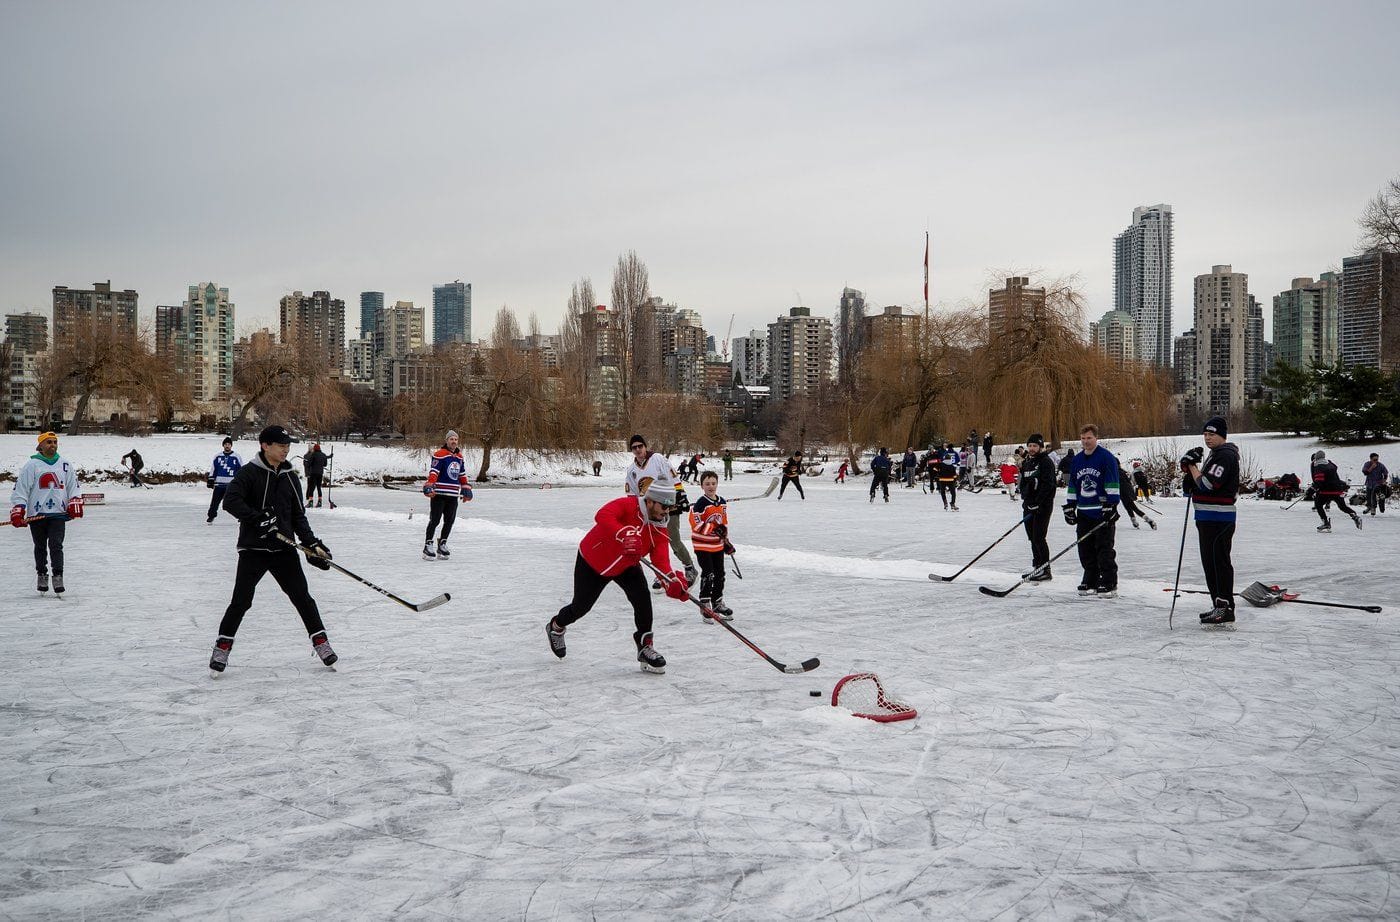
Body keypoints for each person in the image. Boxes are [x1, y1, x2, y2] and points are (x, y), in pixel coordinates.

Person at [210, 425, 337, 677]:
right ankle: (222, 647)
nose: (285, 450)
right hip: (253, 549)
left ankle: (321, 643)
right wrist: (258, 518)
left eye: (287, 446)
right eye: (280, 445)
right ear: (265, 446)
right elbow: (230, 502)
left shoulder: (290, 475)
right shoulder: (249, 472)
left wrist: (312, 545)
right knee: (241, 601)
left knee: (303, 598)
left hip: (283, 548)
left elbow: (298, 515)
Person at [546, 481, 688, 673]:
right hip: (593, 561)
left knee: (642, 600)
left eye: (670, 507)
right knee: (580, 607)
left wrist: (671, 581)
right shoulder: (629, 505)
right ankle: (556, 626)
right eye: (664, 506)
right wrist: (624, 532)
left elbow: (661, 560)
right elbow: (603, 515)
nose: (666, 511)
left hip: (627, 565)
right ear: (650, 502)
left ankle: (645, 646)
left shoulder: (659, 527)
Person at [1179, 416, 1240, 625]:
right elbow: (1195, 486)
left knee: (1218, 562)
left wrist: (1193, 465)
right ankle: (1218, 604)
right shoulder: (1215, 455)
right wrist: (1189, 471)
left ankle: (1225, 606)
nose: (1207, 438)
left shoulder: (1225, 456)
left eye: (1211, 434)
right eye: (1205, 434)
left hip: (1219, 519)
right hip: (1207, 517)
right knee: (1209, 563)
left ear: (1222, 435)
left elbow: (1207, 484)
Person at [10, 431, 83, 594]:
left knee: (56, 545)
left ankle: (58, 576)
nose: (53, 445)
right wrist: (18, 509)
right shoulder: (32, 465)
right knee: (40, 546)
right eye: (49, 442)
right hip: (37, 514)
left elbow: (73, 485)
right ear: (40, 446)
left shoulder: (65, 464)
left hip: (58, 514)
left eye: (55, 442)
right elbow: (21, 489)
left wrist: (75, 501)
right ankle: (42, 574)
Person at [623, 434, 697, 587]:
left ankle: (689, 567)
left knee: (673, 540)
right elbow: (632, 495)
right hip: (649, 512)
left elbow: (673, 478)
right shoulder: (631, 470)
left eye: (640, 446)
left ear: (645, 446)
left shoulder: (657, 459)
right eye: (634, 447)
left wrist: (681, 496)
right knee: (654, 543)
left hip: (668, 504)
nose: (638, 450)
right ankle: (661, 573)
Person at [1062, 424, 1120, 598]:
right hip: (1084, 511)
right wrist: (1070, 505)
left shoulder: (1106, 457)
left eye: (1089, 438)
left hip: (1101, 510)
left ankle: (1109, 581)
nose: (1086, 441)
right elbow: (1073, 484)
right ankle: (1090, 578)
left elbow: (1112, 481)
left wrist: (1111, 505)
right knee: (1085, 547)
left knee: (1104, 548)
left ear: (1096, 438)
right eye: (1083, 438)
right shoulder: (1077, 460)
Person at [422, 429, 473, 560]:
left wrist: (466, 488)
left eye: (456, 439)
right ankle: (428, 545)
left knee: (449, 521)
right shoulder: (440, 454)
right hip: (439, 494)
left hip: (452, 495)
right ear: (447, 440)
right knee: (435, 520)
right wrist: (429, 485)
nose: (454, 441)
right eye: (451, 439)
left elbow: (461, 475)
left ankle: (442, 543)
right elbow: (434, 472)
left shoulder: (460, 457)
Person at [690, 471, 734, 619]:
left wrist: (726, 542)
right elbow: (696, 524)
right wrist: (714, 528)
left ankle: (717, 602)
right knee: (708, 573)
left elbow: (723, 523)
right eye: (707, 484)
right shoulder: (700, 504)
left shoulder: (722, 502)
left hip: (717, 546)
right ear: (701, 485)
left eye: (713, 483)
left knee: (720, 574)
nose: (711, 486)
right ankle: (704, 603)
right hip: (702, 546)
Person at [1018, 434, 1056, 580]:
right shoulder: (1028, 462)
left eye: (1035, 446)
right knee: (1032, 538)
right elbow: (1024, 484)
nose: (1032, 448)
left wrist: (1038, 502)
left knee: (1039, 537)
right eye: (1030, 445)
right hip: (1029, 506)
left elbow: (1049, 485)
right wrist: (1027, 500)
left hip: (1042, 507)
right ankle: (1037, 566)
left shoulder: (1046, 462)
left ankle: (1045, 570)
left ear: (1040, 447)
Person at [1310, 450, 1361, 532]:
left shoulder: (1318, 465)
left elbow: (1319, 480)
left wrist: (1313, 488)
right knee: (1342, 506)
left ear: (1316, 458)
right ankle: (1354, 515)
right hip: (1337, 489)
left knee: (1318, 505)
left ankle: (1325, 522)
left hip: (1326, 490)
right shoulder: (1329, 464)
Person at [1115, 453, 1156, 530]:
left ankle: (1147, 520)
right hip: (1128, 491)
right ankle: (1135, 521)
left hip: (1123, 493)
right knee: (1130, 507)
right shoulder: (1122, 471)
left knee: (1132, 508)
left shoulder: (1115, 472)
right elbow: (1129, 481)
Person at [207, 436, 242, 523]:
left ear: (231, 446)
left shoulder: (236, 456)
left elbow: (240, 470)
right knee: (214, 502)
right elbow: (213, 469)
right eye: (225, 444)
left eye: (229, 444)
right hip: (219, 484)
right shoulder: (218, 456)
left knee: (234, 502)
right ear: (223, 445)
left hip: (231, 485)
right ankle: (211, 516)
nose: (227, 446)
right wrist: (211, 479)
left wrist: (240, 481)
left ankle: (241, 516)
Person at [302, 442, 330, 508]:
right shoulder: (323, 455)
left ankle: (310, 502)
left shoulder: (313, 454)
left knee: (311, 487)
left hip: (313, 473)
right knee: (318, 487)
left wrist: (308, 463)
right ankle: (320, 501)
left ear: (314, 449)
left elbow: (309, 464)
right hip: (320, 473)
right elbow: (325, 464)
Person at [934, 444, 959, 510]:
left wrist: (938, 472)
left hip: (942, 480)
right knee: (953, 493)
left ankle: (945, 503)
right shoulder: (952, 466)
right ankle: (953, 504)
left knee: (943, 492)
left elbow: (935, 469)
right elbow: (954, 475)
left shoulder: (941, 464)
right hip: (950, 480)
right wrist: (955, 480)